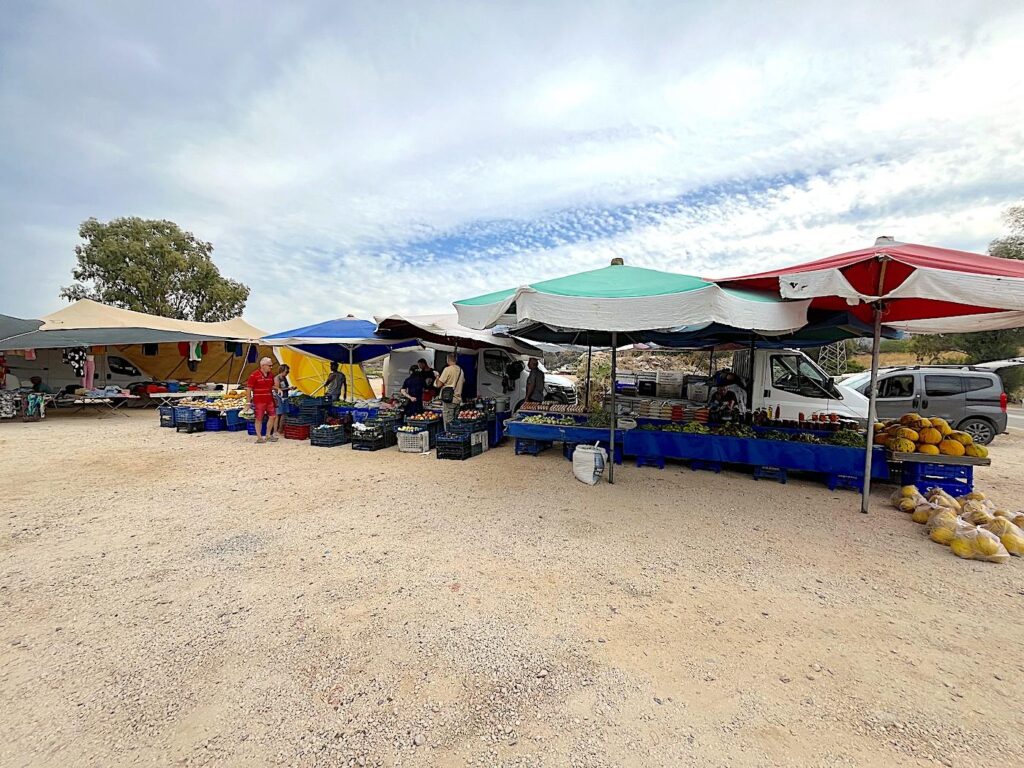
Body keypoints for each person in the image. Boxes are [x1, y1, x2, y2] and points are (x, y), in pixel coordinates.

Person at [246, 357, 278, 443]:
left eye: (271, 365)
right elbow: (248, 389)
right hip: (259, 401)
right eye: (269, 365)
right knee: (259, 418)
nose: (271, 367)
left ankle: (268, 435)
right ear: (263, 366)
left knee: (273, 416)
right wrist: (248, 402)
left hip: (269, 399)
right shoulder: (254, 375)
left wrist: (278, 389)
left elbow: (271, 385)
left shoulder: (271, 375)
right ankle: (259, 437)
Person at [434, 353, 464, 429]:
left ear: (448, 360)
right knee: (455, 424)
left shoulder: (447, 369)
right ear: (456, 360)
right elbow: (463, 382)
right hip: (457, 400)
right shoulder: (461, 370)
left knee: (448, 424)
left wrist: (437, 376)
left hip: (449, 400)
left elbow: (438, 385)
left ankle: (449, 439)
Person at [273, 363, 291, 434]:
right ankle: (275, 430)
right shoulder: (277, 378)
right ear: (282, 370)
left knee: (284, 413)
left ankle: (280, 429)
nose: (287, 373)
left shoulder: (284, 378)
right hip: (279, 397)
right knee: (278, 414)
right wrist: (288, 388)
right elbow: (277, 388)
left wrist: (289, 388)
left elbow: (284, 387)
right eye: (286, 371)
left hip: (285, 397)